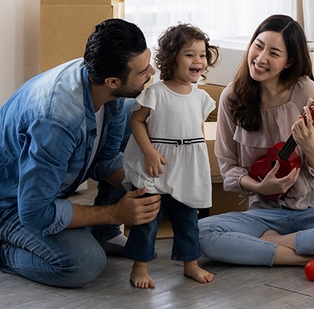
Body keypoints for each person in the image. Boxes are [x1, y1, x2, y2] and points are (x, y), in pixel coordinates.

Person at [0, 19, 162, 288]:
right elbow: (36, 212)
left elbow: (103, 161)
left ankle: (104, 234)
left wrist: (148, 184)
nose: (151, 71)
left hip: (45, 191)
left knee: (138, 114)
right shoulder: (57, 121)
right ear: (113, 81)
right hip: (8, 201)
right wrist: (117, 213)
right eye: (142, 71)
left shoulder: (108, 90)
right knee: (83, 264)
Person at [198, 14, 314, 275]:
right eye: (258, 46)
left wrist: (309, 145)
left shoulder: (306, 91)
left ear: (289, 61)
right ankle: (312, 258)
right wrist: (260, 186)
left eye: (274, 53)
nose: (260, 58)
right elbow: (228, 167)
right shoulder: (232, 97)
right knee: (200, 233)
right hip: (266, 214)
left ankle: (275, 246)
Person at [121, 23, 219, 288]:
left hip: (186, 168)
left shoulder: (201, 98)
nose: (197, 60)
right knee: (148, 219)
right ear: (170, 57)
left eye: (201, 54)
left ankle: (190, 263)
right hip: (158, 167)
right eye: (189, 54)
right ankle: (139, 266)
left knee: (188, 219)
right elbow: (137, 122)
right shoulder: (156, 93)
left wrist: (198, 170)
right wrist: (149, 152)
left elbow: (197, 134)